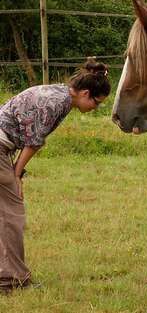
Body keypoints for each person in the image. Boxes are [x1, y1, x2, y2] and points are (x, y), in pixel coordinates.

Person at [0, 59, 111, 294]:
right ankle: (11, 280)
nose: (95, 109)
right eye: (96, 103)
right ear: (85, 93)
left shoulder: (61, 95)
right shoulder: (55, 102)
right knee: (12, 213)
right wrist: (16, 175)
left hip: (4, 146)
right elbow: (33, 143)